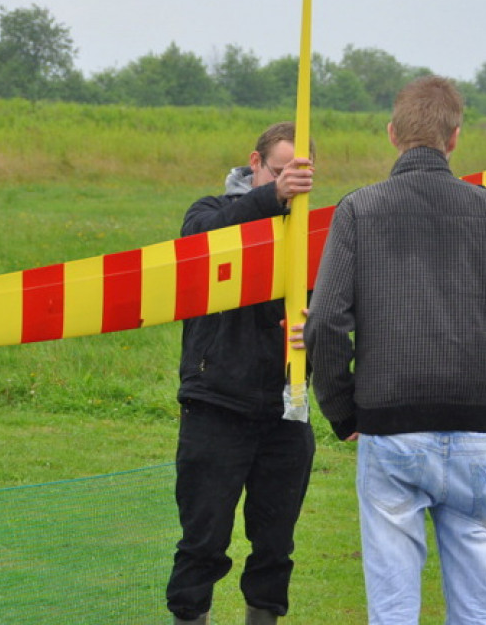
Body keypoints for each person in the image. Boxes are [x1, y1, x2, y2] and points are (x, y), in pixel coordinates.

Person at [303, 75, 486, 624]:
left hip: (389, 432)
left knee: (392, 603)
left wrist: (342, 410)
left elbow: (324, 322)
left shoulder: (359, 211)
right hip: (474, 433)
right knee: (478, 598)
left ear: (393, 134)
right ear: (455, 138)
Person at [166, 122, 317, 625]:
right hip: (216, 407)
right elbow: (200, 241)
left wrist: (317, 329)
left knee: (275, 547)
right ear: (255, 164)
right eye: (280, 173)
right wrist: (272, 198)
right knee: (202, 542)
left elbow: (341, 310)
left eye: (300, 177)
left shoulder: (313, 234)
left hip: (285, 413)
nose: (291, 187)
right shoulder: (208, 211)